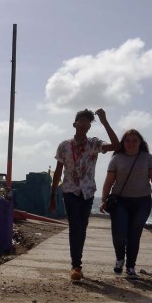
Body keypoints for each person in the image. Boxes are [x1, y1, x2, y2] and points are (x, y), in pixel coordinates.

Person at [49, 108, 119, 281]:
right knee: (75, 226)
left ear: (89, 127)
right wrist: (52, 197)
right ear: (75, 124)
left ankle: (77, 263)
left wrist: (104, 121)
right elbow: (58, 172)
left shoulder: (94, 144)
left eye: (88, 122)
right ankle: (76, 266)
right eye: (81, 121)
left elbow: (117, 146)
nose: (85, 124)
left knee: (82, 227)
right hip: (70, 190)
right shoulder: (64, 146)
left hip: (87, 192)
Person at [99, 129, 152, 277]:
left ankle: (130, 266)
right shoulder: (117, 158)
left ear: (140, 142)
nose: (131, 144)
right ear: (123, 143)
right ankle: (119, 259)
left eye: (135, 140)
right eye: (128, 141)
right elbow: (109, 181)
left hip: (142, 201)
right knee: (119, 234)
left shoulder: (148, 158)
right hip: (120, 201)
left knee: (135, 235)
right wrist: (104, 200)